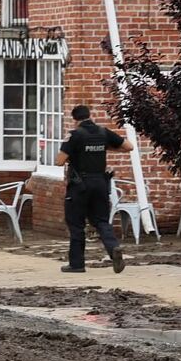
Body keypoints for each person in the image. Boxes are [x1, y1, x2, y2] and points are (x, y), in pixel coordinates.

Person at [59, 103, 129, 274]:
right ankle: (113, 249)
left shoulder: (74, 136)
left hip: (80, 185)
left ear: (74, 119)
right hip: (100, 183)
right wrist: (105, 148)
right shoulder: (103, 132)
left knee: (76, 223)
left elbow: (59, 161)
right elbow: (128, 146)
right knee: (101, 221)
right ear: (89, 115)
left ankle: (77, 264)